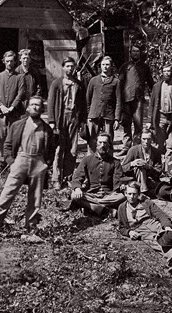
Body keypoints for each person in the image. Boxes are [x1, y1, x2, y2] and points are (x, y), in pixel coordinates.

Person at [0, 96, 54, 235]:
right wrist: (12, 163)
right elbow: (7, 146)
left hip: (38, 162)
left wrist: (45, 165)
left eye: (38, 105)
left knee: (35, 199)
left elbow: (51, 149)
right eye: (32, 104)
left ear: (42, 109)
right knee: (7, 195)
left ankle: (30, 229)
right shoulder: (18, 125)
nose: (35, 107)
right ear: (27, 107)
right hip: (21, 160)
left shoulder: (47, 129)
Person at [118, 181, 172, 276]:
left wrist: (167, 227)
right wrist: (129, 232)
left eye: (134, 194)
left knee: (166, 238)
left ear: (139, 194)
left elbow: (161, 215)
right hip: (140, 230)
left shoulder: (146, 203)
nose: (132, 197)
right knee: (156, 242)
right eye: (129, 194)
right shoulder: (122, 208)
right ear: (125, 194)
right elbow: (122, 228)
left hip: (154, 224)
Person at [47, 56, 87, 190]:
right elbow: (51, 103)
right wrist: (52, 121)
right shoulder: (56, 84)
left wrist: (82, 120)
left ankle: (68, 177)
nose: (70, 68)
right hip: (60, 118)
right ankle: (56, 178)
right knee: (59, 149)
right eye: (67, 66)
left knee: (72, 149)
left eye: (72, 66)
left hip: (74, 117)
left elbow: (82, 104)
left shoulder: (79, 84)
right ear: (63, 67)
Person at [69, 133, 125, 216]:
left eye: (105, 143)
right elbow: (77, 177)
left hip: (108, 196)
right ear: (96, 144)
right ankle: (103, 209)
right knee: (74, 195)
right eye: (100, 142)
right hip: (91, 194)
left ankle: (92, 207)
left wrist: (121, 186)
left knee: (123, 196)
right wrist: (77, 188)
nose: (102, 145)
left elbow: (118, 179)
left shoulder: (115, 162)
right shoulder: (87, 160)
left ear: (109, 145)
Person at [117, 42, 154, 156]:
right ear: (130, 53)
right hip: (126, 99)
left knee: (138, 125)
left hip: (138, 100)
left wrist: (155, 95)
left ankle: (136, 147)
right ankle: (126, 147)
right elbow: (119, 83)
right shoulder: (125, 67)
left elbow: (150, 83)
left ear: (140, 53)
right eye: (134, 51)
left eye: (137, 51)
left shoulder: (144, 67)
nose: (135, 53)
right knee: (126, 124)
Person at [0, 50, 25, 172]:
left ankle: (11, 162)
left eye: (11, 61)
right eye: (7, 61)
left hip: (14, 114)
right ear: (4, 62)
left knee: (13, 138)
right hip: (0, 114)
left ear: (15, 62)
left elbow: (21, 94)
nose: (9, 63)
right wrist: (1, 107)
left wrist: (12, 107)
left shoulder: (20, 77)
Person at [86, 56, 122, 154]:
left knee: (108, 138)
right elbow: (88, 98)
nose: (105, 67)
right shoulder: (93, 80)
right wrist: (89, 114)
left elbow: (119, 101)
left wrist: (117, 118)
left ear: (111, 66)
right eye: (103, 64)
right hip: (94, 114)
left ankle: (108, 159)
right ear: (100, 66)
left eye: (107, 65)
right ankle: (91, 160)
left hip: (108, 114)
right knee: (92, 139)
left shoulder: (116, 81)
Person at [149, 64, 172, 155]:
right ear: (162, 73)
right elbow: (152, 104)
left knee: (171, 144)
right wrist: (150, 120)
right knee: (159, 143)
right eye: (164, 71)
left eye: (168, 71)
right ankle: (160, 164)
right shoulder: (157, 86)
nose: (166, 73)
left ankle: (169, 163)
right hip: (160, 117)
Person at [121, 128, 162, 195]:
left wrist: (148, 167)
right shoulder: (133, 150)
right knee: (140, 165)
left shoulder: (156, 152)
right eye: (144, 139)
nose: (146, 141)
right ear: (140, 139)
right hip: (135, 180)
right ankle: (143, 190)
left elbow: (158, 171)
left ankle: (144, 189)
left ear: (152, 139)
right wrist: (132, 164)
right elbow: (122, 168)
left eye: (149, 139)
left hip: (150, 180)